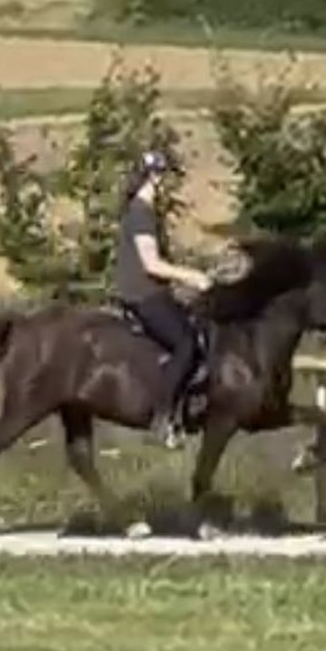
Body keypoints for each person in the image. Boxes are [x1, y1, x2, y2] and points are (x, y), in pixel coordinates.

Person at [114, 149, 212, 448]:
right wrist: (191, 276)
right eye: (167, 176)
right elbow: (151, 264)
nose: (170, 183)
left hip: (150, 291)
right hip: (143, 294)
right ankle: (162, 419)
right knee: (186, 343)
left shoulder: (140, 210)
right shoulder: (141, 213)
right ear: (155, 177)